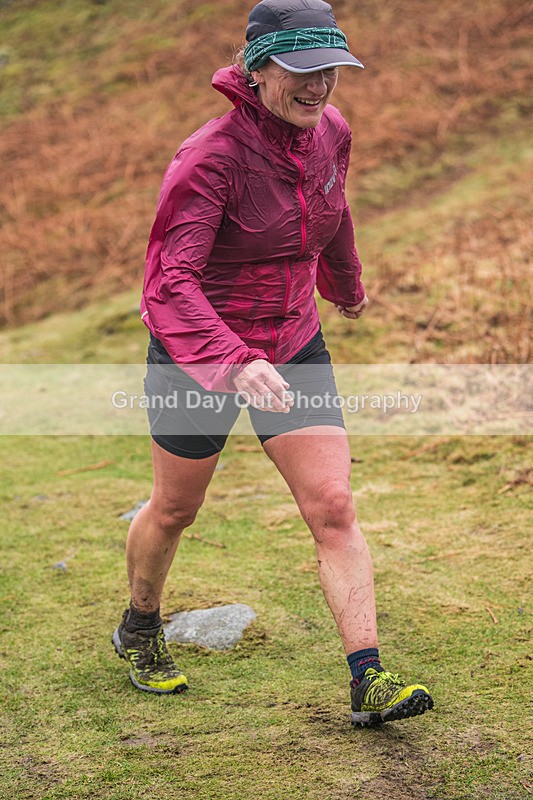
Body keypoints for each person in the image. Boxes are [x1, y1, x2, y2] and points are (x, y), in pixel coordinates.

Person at [112, 0, 433, 727]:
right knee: (174, 508)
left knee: (333, 506)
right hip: (198, 354)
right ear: (257, 70)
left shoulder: (330, 133)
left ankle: (369, 679)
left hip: (293, 342)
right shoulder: (209, 158)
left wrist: (344, 285)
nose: (319, 86)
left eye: (331, 70)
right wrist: (233, 360)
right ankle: (139, 626)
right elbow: (169, 282)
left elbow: (334, 207)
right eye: (301, 69)